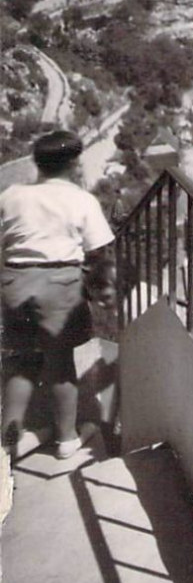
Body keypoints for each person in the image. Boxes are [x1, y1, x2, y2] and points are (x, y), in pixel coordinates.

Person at [1, 130, 116, 461]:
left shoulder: (12, 195)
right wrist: (103, 290)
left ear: (38, 165)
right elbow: (97, 254)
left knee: (23, 362)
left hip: (15, 281)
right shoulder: (81, 200)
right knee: (60, 362)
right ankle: (67, 440)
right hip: (59, 285)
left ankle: (8, 440)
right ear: (74, 164)